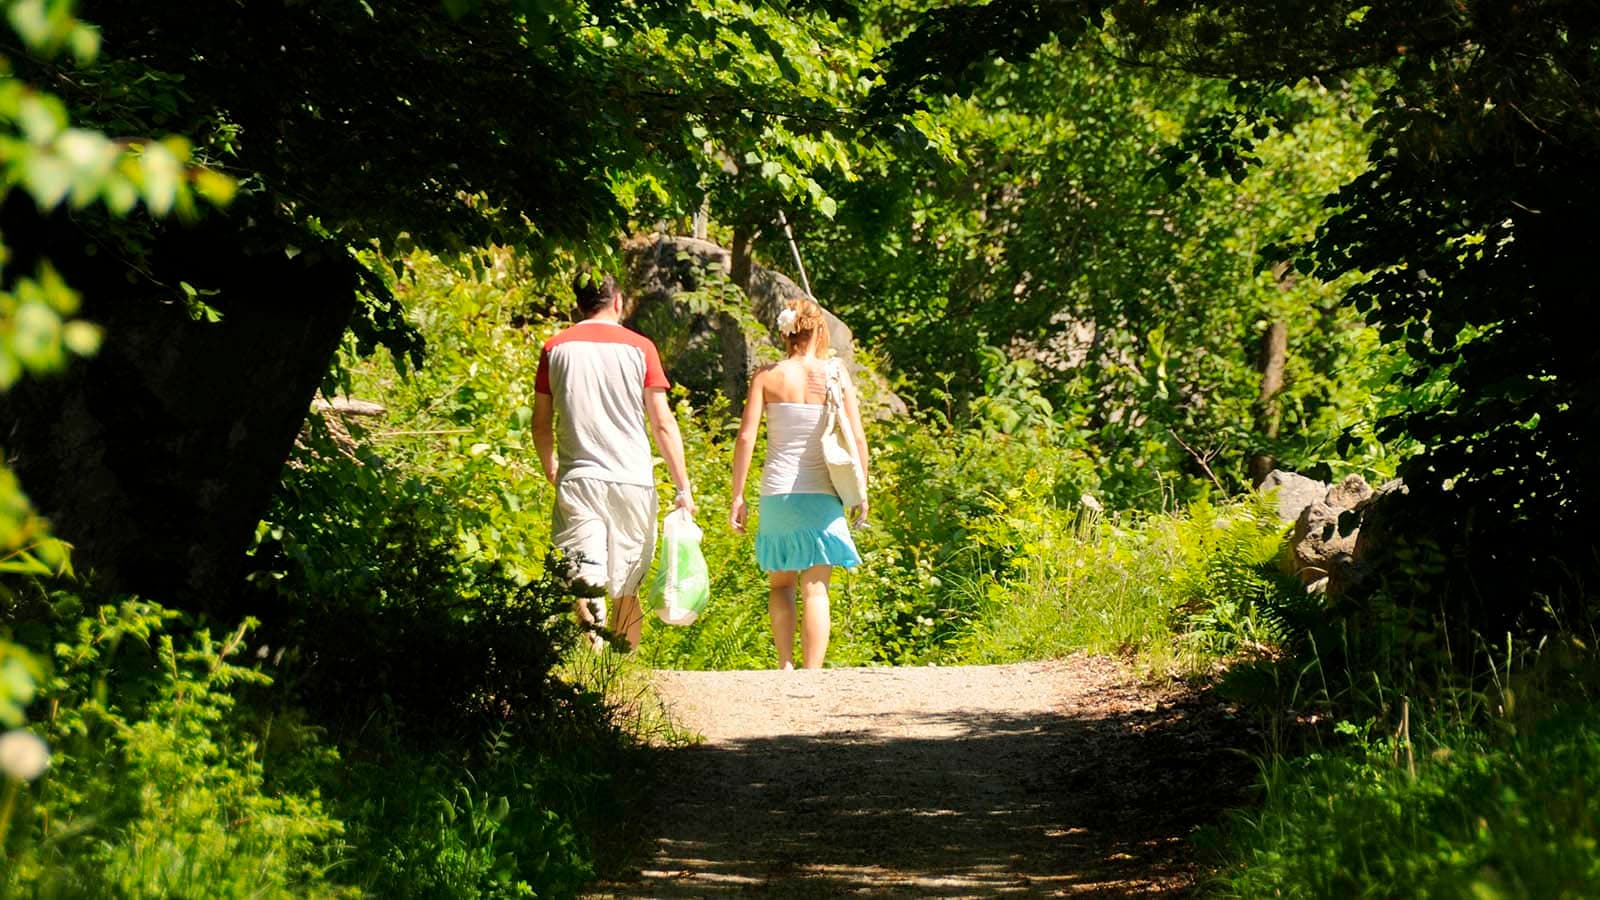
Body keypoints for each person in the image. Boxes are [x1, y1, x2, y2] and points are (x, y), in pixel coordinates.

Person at [533, 270, 695, 651]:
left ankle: (594, 661)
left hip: (579, 478)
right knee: (627, 586)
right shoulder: (641, 348)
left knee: (586, 578)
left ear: (579, 304)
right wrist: (683, 486)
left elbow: (540, 425)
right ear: (618, 302)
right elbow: (662, 422)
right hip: (633, 480)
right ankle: (620, 672)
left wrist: (552, 468)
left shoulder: (554, 348)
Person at [729, 297, 869, 669]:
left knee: (781, 585)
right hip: (823, 493)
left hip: (778, 493)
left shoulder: (766, 376)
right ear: (819, 330)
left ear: (785, 331)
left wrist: (738, 495)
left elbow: (746, 438)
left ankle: (785, 665)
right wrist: (862, 490)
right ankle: (812, 673)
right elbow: (856, 438)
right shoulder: (835, 375)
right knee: (816, 588)